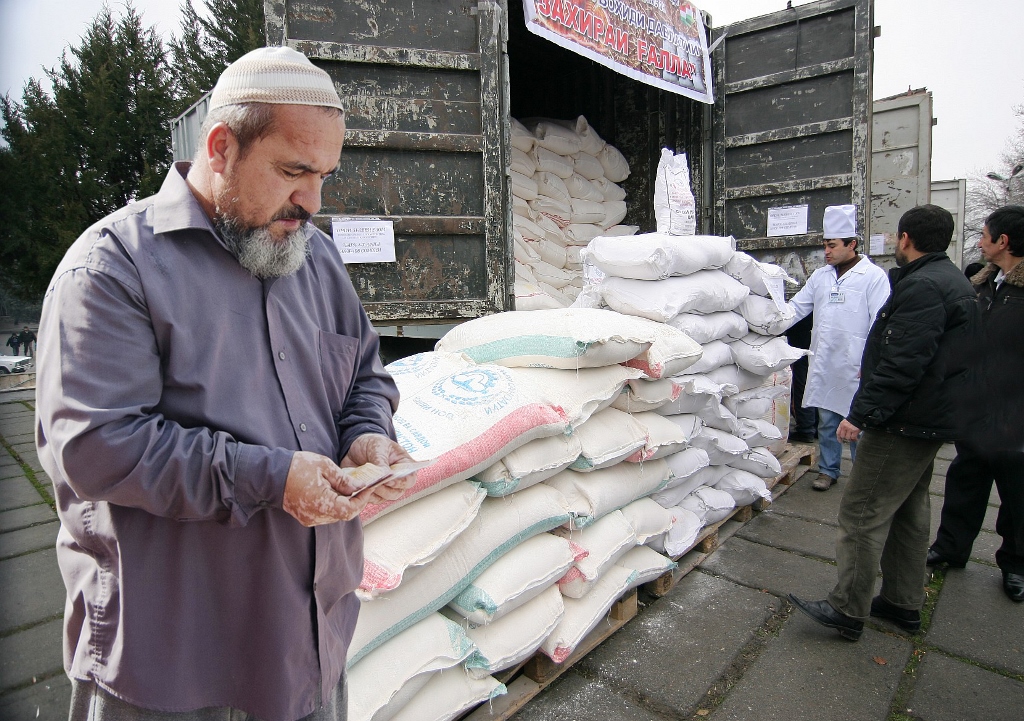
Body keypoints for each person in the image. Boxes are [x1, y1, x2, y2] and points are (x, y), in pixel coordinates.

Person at [36, 46, 419, 721]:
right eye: (294, 171)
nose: (312, 201)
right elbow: (97, 446)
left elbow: (363, 370)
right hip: (172, 672)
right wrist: (271, 478)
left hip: (306, 653)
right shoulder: (111, 270)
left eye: (325, 175)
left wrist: (367, 434)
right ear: (221, 147)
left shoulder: (316, 259)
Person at [789, 204, 979, 640]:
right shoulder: (949, 281)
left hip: (903, 420)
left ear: (906, 238)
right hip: (929, 417)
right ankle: (901, 604)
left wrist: (860, 414)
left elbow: (900, 364)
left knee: (860, 513)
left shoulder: (922, 287)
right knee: (910, 510)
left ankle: (846, 609)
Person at [928, 205, 1024, 602]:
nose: (980, 241)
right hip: (975, 405)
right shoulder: (983, 283)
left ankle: (1016, 564)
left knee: (1017, 493)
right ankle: (951, 547)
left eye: (985, 234)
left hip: (1015, 411)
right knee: (965, 480)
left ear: (1003, 241)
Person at [785, 204, 890, 490]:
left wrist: (871, 361)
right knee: (827, 422)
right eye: (825, 246)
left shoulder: (873, 277)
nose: (827, 252)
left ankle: (861, 476)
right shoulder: (821, 277)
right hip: (827, 360)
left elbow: (879, 321)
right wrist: (768, 321)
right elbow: (797, 308)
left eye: (832, 246)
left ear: (851, 244)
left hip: (856, 364)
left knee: (858, 425)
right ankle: (828, 469)